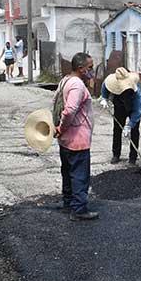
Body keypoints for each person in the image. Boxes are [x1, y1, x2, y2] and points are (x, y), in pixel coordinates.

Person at [54, 52, 98, 221]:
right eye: (90, 68)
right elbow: (70, 109)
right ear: (81, 68)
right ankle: (79, 209)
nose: (92, 71)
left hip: (66, 139)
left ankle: (68, 202)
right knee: (79, 174)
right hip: (76, 138)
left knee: (67, 172)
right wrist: (63, 127)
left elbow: (56, 103)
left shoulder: (65, 80)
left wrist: (59, 129)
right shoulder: (77, 85)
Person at [99, 68, 139, 164]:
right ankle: (116, 154)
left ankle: (133, 157)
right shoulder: (112, 81)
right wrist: (104, 98)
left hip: (132, 103)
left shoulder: (137, 91)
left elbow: (138, 111)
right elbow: (105, 86)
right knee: (117, 129)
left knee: (134, 131)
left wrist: (130, 125)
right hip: (119, 103)